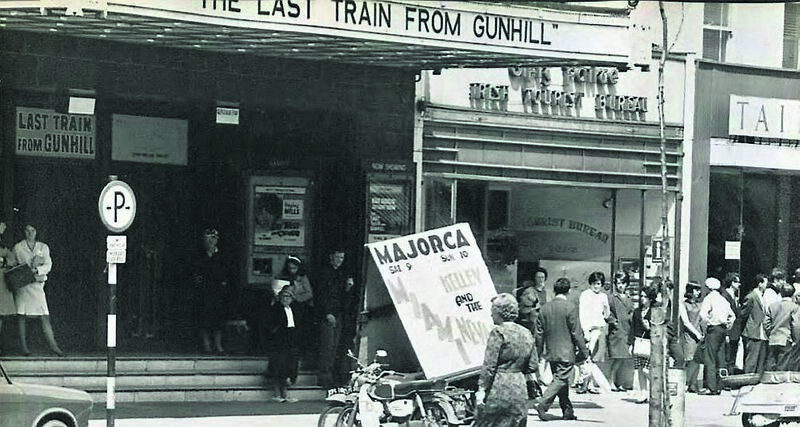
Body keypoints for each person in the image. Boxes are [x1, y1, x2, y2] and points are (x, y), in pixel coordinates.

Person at [474, 293, 538, 427]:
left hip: (499, 388)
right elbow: (533, 365)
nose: (491, 314)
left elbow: (489, 366)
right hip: (519, 388)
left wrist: (481, 390)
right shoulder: (526, 332)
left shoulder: (498, 332)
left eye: (492, 310)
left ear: (500, 312)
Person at [533, 277, 590, 421]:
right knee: (560, 380)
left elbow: (538, 335)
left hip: (551, 352)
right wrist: (584, 352)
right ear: (568, 291)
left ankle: (568, 410)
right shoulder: (570, 307)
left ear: (554, 290)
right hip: (567, 352)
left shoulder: (544, 308)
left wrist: (538, 353)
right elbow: (576, 333)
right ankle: (542, 403)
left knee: (560, 381)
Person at [12, 224, 63, 356]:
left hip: (37, 285)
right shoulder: (18, 247)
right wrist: (27, 269)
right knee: (21, 316)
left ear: (36, 232)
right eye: (27, 230)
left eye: (32, 230)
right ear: (24, 232)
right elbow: (14, 265)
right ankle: (24, 347)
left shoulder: (43, 247)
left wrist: (37, 269)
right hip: (23, 286)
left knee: (44, 316)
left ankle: (54, 346)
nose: (30, 233)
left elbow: (48, 264)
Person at [316, 248, 357, 389]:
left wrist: (347, 288)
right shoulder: (324, 273)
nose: (339, 260)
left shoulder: (341, 273)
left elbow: (343, 298)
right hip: (328, 314)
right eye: (337, 257)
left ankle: (331, 376)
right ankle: (324, 377)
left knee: (334, 347)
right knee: (327, 346)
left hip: (339, 313)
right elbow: (321, 295)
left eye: (342, 258)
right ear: (331, 256)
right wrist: (327, 313)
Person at [190, 228, 230, 354]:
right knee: (204, 318)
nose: (209, 242)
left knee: (218, 320)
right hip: (204, 291)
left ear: (217, 240)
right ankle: (206, 345)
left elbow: (226, 272)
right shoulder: (200, 256)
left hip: (218, 292)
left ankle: (218, 345)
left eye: (212, 239)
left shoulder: (222, 256)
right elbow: (196, 271)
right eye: (207, 239)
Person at [698, 277, 735, 395]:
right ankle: (720, 385)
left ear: (708, 288)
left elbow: (703, 315)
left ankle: (711, 387)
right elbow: (732, 316)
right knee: (721, 357)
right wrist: (728, 326)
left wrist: (705, 328)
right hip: (723, 329)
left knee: (710, 358)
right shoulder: (723, 299)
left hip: (713, 329)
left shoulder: (709, 299)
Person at [577, 271, 611, 394]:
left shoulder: (603, 296)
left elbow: (607, 314)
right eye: (594, 283)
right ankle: (583, 383)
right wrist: (585, 330)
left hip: (599, 329)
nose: (597, 286)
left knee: (594, 358)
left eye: (599, 284)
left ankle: (589, 384)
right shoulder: (585, 295)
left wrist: (606, 309)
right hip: (588, 329)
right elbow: (582, 314)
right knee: (586, 357)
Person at [265, 286, 300, 403]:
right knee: (278, 366)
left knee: (288, 367)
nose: (285, 299)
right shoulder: (275, 309)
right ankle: (276, 393)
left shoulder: (293, 309)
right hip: (279, 340)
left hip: (291, 339)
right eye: (283, 296)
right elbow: (272, 325)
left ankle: (285, 393)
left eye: (288, 296)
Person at [274, 255, 314, 353]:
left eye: (294, 268)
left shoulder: (302, 278)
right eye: (290, 268)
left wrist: (296, 298)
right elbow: (276, 292)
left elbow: (309, 293)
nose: (292, 270)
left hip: (298, 307)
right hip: (283, 307)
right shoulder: (280, 276)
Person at [629, 285, 657, 404]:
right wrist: (630, 344)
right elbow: (633, 328)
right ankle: (643, 393)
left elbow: (658, 329)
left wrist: (649, 328)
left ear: (650, 298)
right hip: (639, 342)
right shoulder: (637, 311)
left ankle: (656, 389)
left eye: (645, 297)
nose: (642, 299)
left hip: (650, 342)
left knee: (646, 369)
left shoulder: (655, 311)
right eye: (641, 296)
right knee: (640, 369)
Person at [764, 282, 800, 370]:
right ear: (793, 294)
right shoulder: (794, 307)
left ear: (781, 293)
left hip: (773, 338)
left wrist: (770, 333)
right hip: (786, 338)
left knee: (771, 363)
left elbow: (766, 323)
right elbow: (796, 325)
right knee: (782, 366)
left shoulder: (772, 306)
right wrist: (796, 339)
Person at [606, 271, 633, 392]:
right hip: (617, 332)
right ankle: (611, 381)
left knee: (623, 358)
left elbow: (631, 312)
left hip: (626, 330)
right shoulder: (611, 298)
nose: (620, 285)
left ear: (627, 284)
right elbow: (606, 313)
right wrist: (613, 322)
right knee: (617, 358)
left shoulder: (628, 298)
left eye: (623, 283)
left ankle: (619, 383)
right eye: (618, 283)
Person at [740, 274, 769, 375]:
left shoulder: (762, 296)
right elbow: (743, 315)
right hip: (752, 331)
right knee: (751, 358)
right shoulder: (751, 297)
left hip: (761, 331)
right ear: (760, 284)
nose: (767, 285)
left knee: (760, 359)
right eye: (765, 282)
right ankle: (748, 378)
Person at [682, 281, 705, 392]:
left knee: (698, 360)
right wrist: (697, 334)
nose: (698, 292)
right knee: (690, 360)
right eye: (696, 290)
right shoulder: (684, 304)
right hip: (690, 335)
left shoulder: (700, 304)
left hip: (700, 334)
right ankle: (686, 383)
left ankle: (693, 383)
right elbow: (686, 322)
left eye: (699, 290)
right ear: (690, 291)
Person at [0, 221, 17, 354]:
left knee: (1, 314)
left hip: (2, 281)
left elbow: (12, 259)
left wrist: (5, 261)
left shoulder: (3, 242)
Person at [721, 272, 743, 373]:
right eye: (737, 282)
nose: (739, 284)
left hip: (735, 332)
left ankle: (731, 376)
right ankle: (727, 379)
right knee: (727, 356)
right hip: (729, 331)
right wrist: (727, 333)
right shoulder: (725, 296)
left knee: (732, 356)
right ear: (731, 282)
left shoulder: (734, 296)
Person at [517, 267, 548, 335]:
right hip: (533, 323)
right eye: (538, 277)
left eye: (542, 277)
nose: (540, 279)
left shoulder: (547, 292)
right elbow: (522, 309)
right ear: (534, 278)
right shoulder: (528, 291)